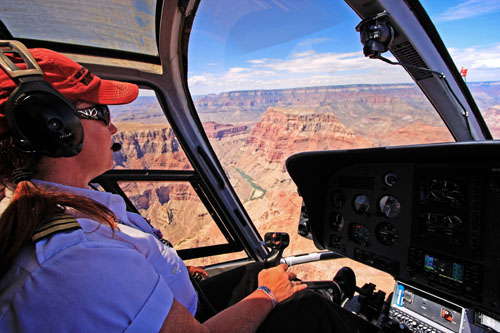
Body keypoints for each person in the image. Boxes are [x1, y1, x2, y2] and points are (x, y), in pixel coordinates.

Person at [0, 45, 375, 332]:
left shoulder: (63, 207)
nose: (114, 129)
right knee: (307, 310)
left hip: (183, 300)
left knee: (261, 269)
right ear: (54, 127)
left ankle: (333, 291)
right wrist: (267, 296)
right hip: (194, 320)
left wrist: (172, 269)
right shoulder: (74, 259)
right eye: (101, 113)